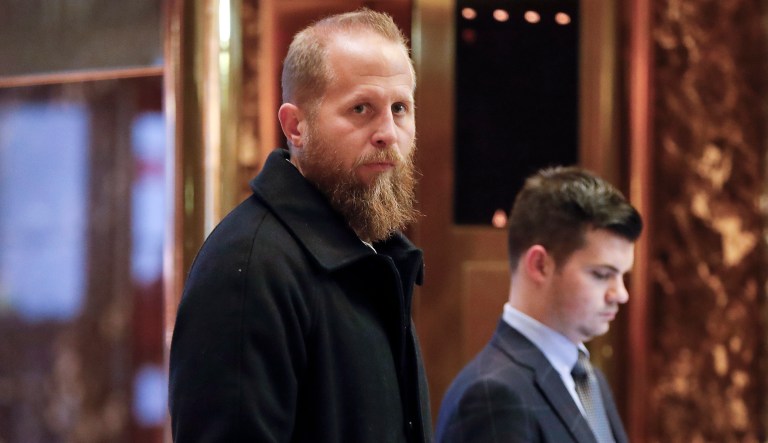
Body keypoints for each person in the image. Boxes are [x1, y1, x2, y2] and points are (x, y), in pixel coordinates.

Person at [168, 9, 432, 442]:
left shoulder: (375, 254)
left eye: (400, 108)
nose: (388, 132)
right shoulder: (250, 267)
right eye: (361, 108)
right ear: (296, 126)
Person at [435, 166, 643, 443]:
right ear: (540, 265)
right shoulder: (492, 396)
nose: (620, 294)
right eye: (602, 275)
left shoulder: (589, 378)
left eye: (622, 275)